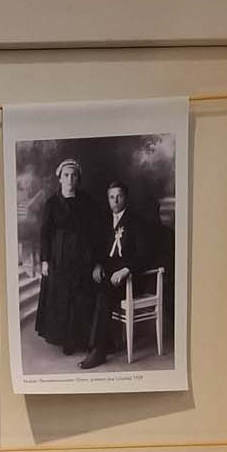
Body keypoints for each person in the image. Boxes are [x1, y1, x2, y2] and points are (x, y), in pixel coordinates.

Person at [33, 157, 104, 360]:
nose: (70, 179)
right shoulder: (52, 204)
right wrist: (45, 260)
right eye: (66, 175)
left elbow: (97, 232)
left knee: (81, 299)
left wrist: (97, 262)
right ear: (60, 178)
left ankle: (83, 339)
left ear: (78, 178)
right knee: (63, 299)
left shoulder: (87, 201)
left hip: (83, 259)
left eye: (74, 176)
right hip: (60, 258)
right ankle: (67, 341)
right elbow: (45, 233)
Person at [81, 180, 152, 372]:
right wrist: (97, 264)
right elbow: (99, 248)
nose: (115, 201)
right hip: (110, 276)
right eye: (111, 197)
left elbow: (145, 254)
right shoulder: (106, 221)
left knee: (103, 294)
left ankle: (99, 350)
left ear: (125, 197)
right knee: (85, 288)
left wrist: (126, 269)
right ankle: (102, 341)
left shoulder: (137, 222)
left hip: (131, 279)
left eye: (119, 196)